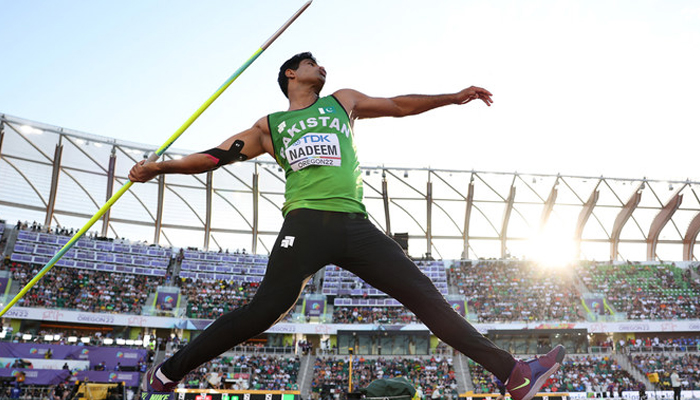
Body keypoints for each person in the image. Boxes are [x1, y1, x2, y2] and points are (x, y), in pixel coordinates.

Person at [133, 52, 565, 400]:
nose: (322, 67)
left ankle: (514, 375)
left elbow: (398, 106)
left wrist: (451, 97)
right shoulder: (270, 126)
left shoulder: (342, 101)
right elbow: (213, 157)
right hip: (304, 225)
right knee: (261, 313)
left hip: (355, 226)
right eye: (311, 63)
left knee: (426, 298)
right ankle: (168, 372)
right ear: (290, 74)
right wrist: (160, 168)